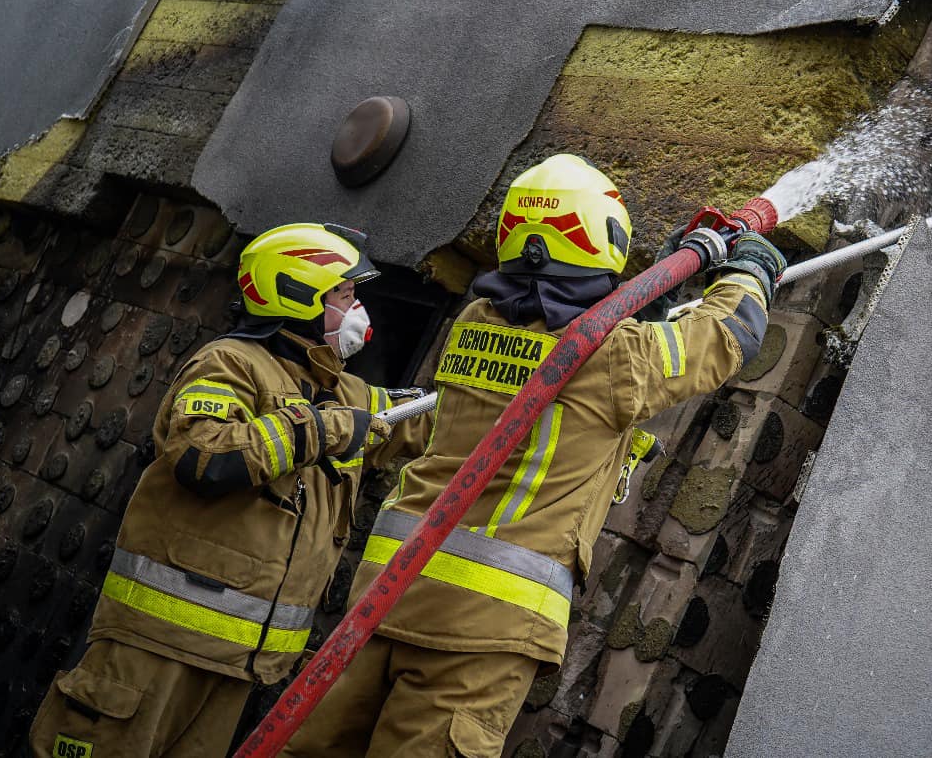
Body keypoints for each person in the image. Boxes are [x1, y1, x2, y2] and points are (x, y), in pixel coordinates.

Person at [281, 154, 786, 758]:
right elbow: (723, 338)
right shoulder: (614, 357)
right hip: (484, 629)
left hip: (387, 592)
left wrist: (660, 287)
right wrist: (750, 270)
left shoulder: (474, 320)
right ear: (602, 238)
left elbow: (580, 346)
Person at [31, 223, 429, 758]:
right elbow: (203, 455)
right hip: (159, 643)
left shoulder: (342, 389)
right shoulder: (232, 363)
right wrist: (318, 428)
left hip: (241, 665)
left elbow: (417, 421)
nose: (357, 309)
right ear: (299, 295)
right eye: (344, 294)